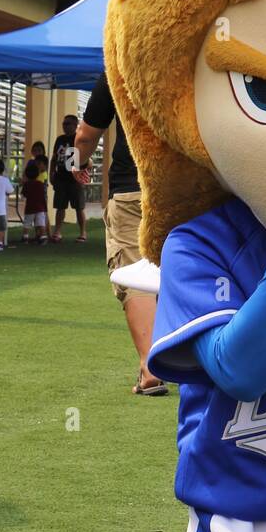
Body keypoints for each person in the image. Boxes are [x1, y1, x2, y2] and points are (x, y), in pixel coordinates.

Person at [73, 72, 168, 396]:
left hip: (132, 187)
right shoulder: (192, 54)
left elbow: (86, 136)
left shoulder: (120, 67)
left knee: (134, 274)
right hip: (185, 189)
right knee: (188, 269)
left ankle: (150, 368)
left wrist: (78, 163)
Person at [49, 115, 87, 242]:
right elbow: (54, 158)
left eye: (68, 123)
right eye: (64, 123)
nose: (65, 126)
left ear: (75, 125)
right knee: (60, 206)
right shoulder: (60, 139)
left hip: (75, 179)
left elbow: (86, 158)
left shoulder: (79, 139)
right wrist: (51, 173)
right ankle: (57, 231)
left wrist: (81, 175)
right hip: (61, 177)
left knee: (78, 207)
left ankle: (83, 233)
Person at [21, 162, 48, 243]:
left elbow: (23, 196)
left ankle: (25, 236)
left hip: (30, 207)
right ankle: (43, 236)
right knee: (41, 223)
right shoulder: (40, 184)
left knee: (27, 223)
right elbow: (43, 195)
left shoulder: (27, 184)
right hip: (40, 207)